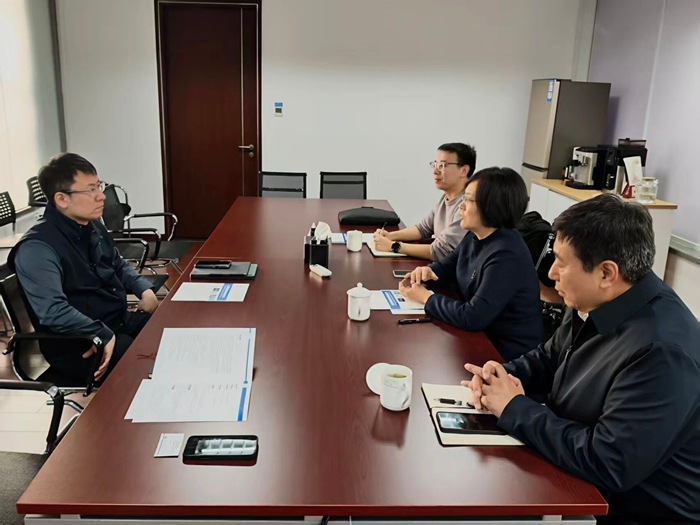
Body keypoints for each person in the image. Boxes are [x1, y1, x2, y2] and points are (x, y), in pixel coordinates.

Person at [463, 194, 700, 524]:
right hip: (576, 476)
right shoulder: (598, 299)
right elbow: (550, 357)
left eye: (561, 262)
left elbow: (608, 462)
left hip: (629, 510)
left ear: (606, 273)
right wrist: (499, 376)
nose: (551, 272)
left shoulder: (661, 352)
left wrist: (514, 407)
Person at [8, 153, 159, 383]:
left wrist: (144, 289)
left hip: (116, 322)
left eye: (99, 186)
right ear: (62, 199)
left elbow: (116, 263)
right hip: (77, 343)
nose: (101, 196)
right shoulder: (37, 248)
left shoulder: (92, 224)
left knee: (167, 329)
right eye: (91, 190)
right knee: (140, 360)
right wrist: (100, 333)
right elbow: (53, 311)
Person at [400, 167, 543, 361]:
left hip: (506, 355)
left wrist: (426, 298)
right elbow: (446, 268)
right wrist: (425, 273)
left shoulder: (507, 254)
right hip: (478, 338)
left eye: (468, 200)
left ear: (492, 206)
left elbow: (473, 317)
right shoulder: (475, 235)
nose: (461, 206)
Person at [373, 143, 476, 261]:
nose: (435, 171)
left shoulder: (466, 206)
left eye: (442, 165)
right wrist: (390, 236)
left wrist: (394, 246)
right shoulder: (446, 198)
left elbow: (440, 251)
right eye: (435, 165)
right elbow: (423, 229)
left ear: (464, 171)